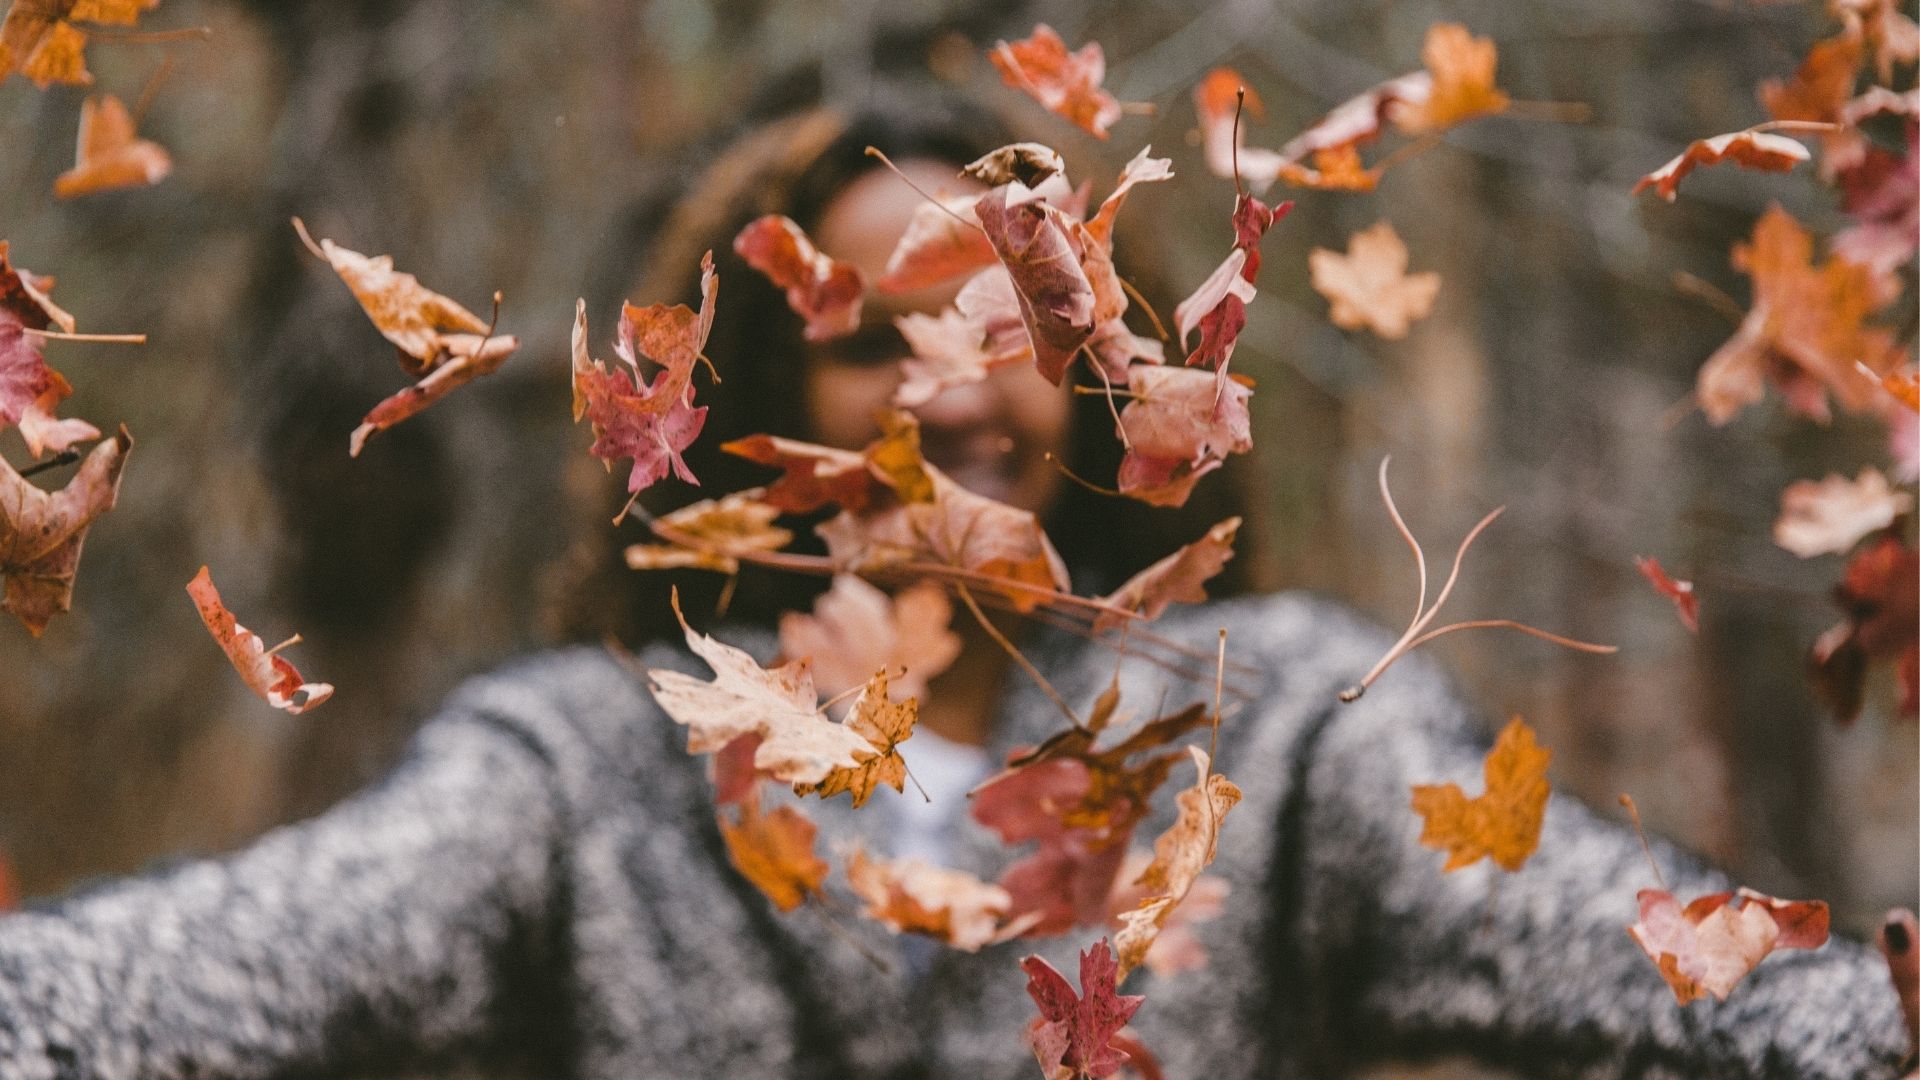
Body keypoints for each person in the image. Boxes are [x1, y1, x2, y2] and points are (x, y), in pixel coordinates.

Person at [0, 84, 1911, 1080]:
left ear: (1083, 374)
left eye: (1005, 317)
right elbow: (230, 963)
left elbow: (1669, 969)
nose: (950, 384)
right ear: (761, 410)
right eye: (870, 338)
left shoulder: (1268, 730)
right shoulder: (593, 771)